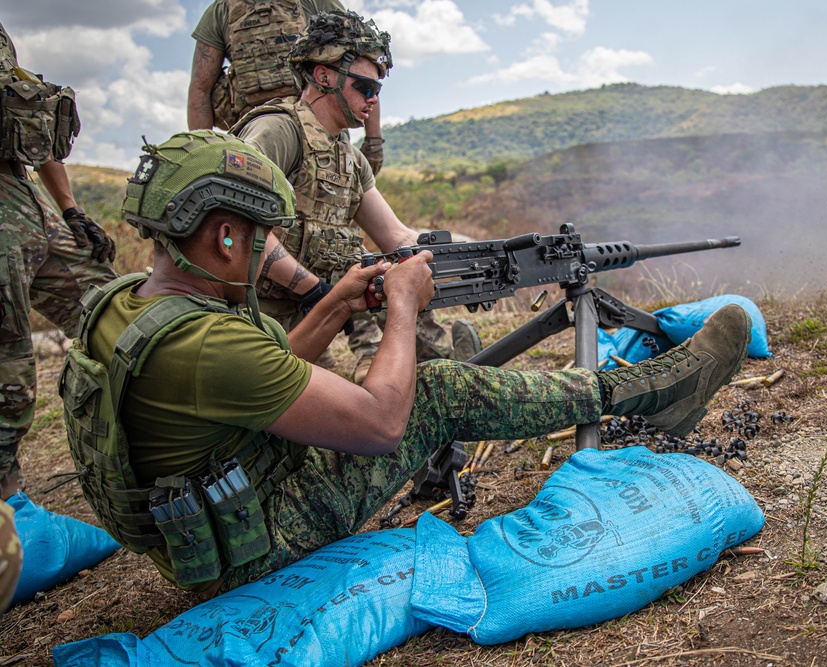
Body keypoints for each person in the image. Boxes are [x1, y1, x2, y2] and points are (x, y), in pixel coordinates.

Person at [60, 130, 751, 594]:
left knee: (420, 379)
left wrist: (332, 305)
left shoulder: (126, 305)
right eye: (261, 236)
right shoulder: (207, 345)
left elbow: (256, 381)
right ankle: (656, 389)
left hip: (199, 529)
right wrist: (402, 306)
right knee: (438, 388)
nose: (266, 248)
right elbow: (383, 422)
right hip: (249, 549)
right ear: (224, 233)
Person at [231, 9, 477, 381]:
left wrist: (467, 258)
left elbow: (396, 237)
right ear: (323, 75)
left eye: (378, 90)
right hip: (252, 322)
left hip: (312, 316)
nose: (373, 100)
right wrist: (320, 292)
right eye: (364, 87)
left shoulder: (350, 158)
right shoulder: (278, 132)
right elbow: (241, 232)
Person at [0, 22, 118, 500]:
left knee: (111, 309)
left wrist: (71, 210)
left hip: (26, 198)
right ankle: (9, 510)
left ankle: (151, 446)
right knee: (9, 362)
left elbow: (31, 120)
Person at [187, 0, 387, 176]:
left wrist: (374, 141)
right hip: (254, 137)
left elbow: (362, 69)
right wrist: (202, 157)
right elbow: (201, 89)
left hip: (322, 134)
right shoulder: (222, 11)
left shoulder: (315, 3)